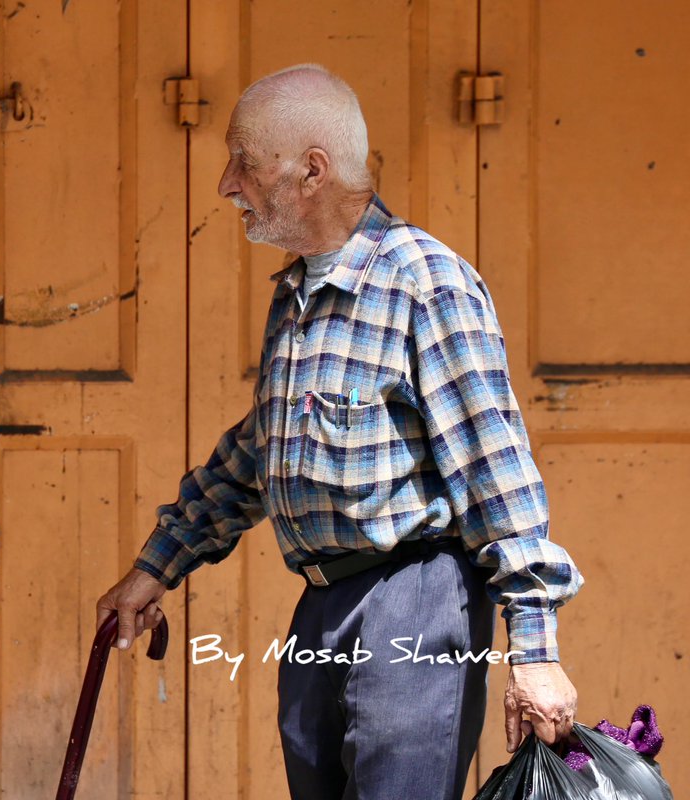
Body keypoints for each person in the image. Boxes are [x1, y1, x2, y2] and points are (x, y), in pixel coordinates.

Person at [95, 64, 583, 799]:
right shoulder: (297, 295)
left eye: (245, 163)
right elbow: (256, 455)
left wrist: (535, 652)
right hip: (321, 603)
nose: (228, 183)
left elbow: (497, 472)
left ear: (311, 171)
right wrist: (156, 568)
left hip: (412, 602)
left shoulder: (424, 282)